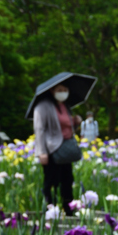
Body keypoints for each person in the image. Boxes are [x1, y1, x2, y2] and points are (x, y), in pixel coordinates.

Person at [33, 82, 82, 215]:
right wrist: (41, 152)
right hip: (51, 150)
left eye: (65, 89)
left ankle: (69, 210)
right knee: (51, 181)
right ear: (52, 91)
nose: (63, 92)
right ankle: (51, 212)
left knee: (67, 180)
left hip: (65, 149)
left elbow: (66, 126)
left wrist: (75, 122)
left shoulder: (65, 105)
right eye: (60, 90)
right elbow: (39, 129)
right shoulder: (42, 107)